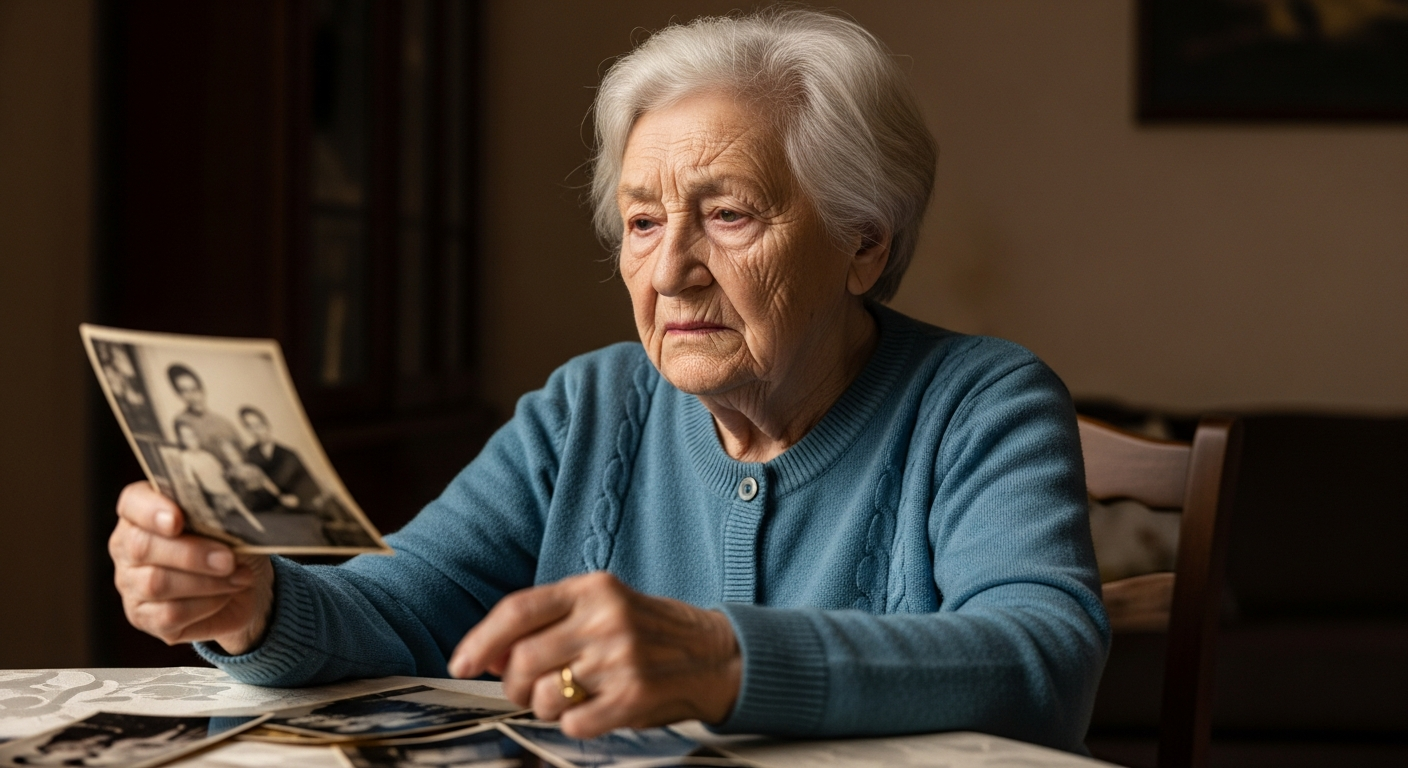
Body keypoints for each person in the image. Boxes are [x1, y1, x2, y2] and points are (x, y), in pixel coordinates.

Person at [106, 8, 1108, 754]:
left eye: (728, 215)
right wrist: (251, 606)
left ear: (861, 243)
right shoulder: (588, 406)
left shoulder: (982, 400)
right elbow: (409, 602)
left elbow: (1041, 655)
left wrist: (722, 660)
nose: (668, 270)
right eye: (640, 221)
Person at [167, 364, 243, 467]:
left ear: (202, 390)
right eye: (184, 391)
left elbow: (243, 453)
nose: (192, 396)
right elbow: (190, 459)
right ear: (179, 395)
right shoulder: (182, 422)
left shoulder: (223, 422)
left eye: (194, 389)